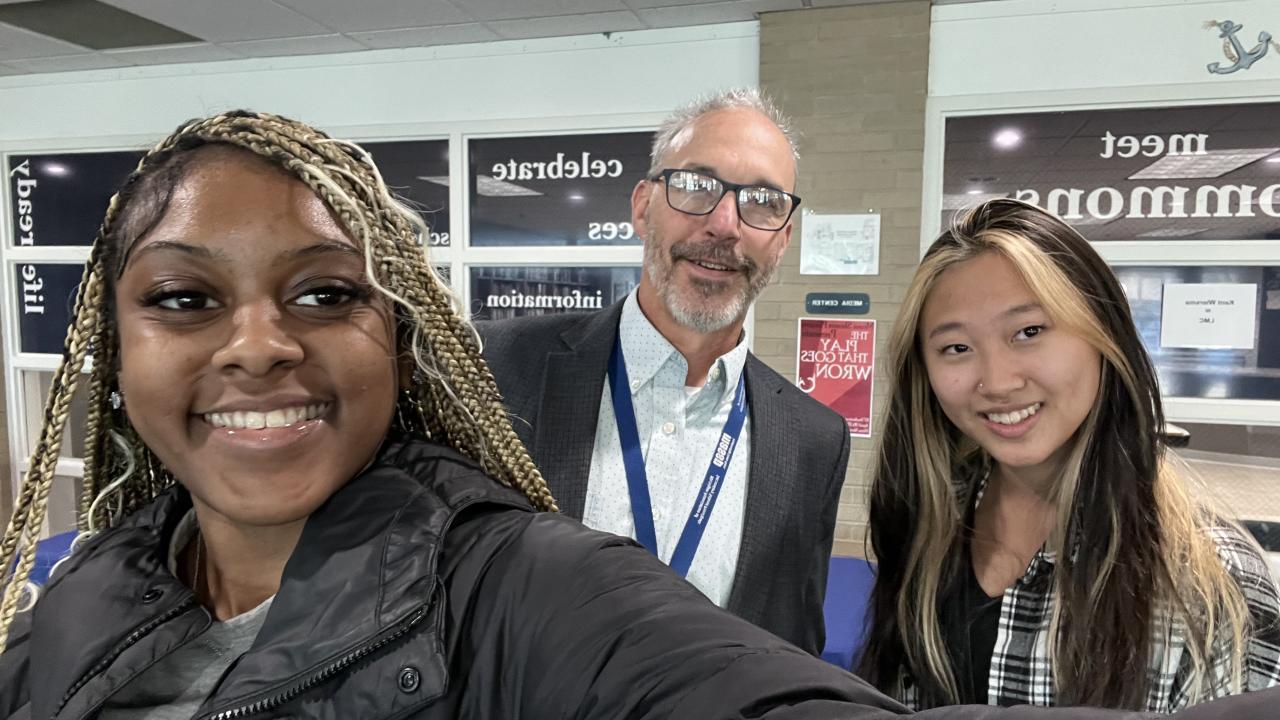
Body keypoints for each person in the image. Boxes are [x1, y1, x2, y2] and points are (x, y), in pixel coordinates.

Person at [857, 198, 1280, 712]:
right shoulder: (928, 524)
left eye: (1029, 332)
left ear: (1104, 337)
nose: (998, 382)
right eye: (957, 348)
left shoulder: (1213, 582)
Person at [480, 88, 848, 655]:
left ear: (783, 239)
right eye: (697, 186)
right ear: (642, 206)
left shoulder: (813, 441)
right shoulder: (499, 367)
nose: (725, 225)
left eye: (763, 202)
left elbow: (794, 644)